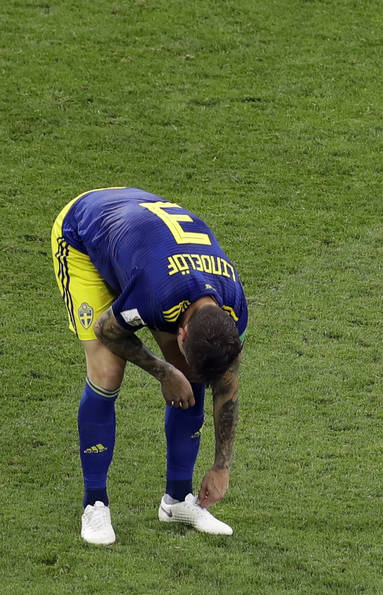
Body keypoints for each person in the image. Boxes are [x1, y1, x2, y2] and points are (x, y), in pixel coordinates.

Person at [50, 187, 247, 544]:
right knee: (108, 372)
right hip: (84, 233)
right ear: (182, 333)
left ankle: (177, 500)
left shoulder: (234, 310)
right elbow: (107, 329)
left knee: (192, 375)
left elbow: (227, 385)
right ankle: (94, 503)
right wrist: (164, 371)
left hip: (146, 247)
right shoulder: (156, 295)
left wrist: (222, 467)